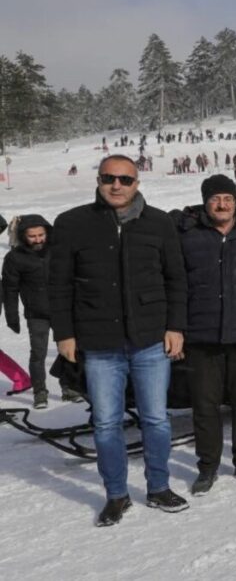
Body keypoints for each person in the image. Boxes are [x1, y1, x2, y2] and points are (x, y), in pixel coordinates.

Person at [49, 155, 190, 526]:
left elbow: (176, 279)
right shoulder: (72, 223)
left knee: (157, 420)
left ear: (136, 183)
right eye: (109, 178)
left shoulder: (159, 223)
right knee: (107, 423)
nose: (117, 185)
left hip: (149, 341)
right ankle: (116, 494)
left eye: (125, 180)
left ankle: (158, 487)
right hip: (100, 343)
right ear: (98, 180)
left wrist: (175, 326)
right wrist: (64, 333)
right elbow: (59, 285)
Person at [174, 175, 236, 495]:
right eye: (215, 198)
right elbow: (176, 285)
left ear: (235, 199)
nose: (222, 204)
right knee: (205, 406)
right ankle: (207, 466)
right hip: (202, 336)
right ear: (205, 201)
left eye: (227, 198)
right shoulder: (187, 236)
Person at [3, 215, 79, 408]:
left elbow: (76, 277)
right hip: (36, 313)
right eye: (32, 236)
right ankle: (40, 392)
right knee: (38, 354)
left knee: (69, 351)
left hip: (63, 310)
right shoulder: (14, 258)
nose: (38, 240)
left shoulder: (58, 251)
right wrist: (12, 317)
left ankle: (69, 388)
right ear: (23, 236)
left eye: (41, 235)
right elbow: (10, 289)